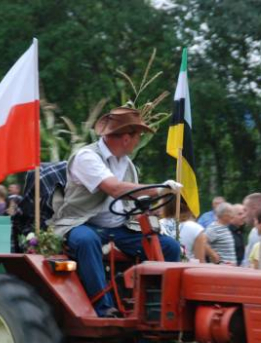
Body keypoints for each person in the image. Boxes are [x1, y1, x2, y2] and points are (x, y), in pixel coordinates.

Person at [50, 107, 181, 317]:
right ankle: (103, 308)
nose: (139, 141)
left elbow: (134, 197)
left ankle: (156, 310)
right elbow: (115, 188)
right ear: (127, 138)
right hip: (81, 222)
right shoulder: (87, 157)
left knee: (169, 247)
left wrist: (154, 205)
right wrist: (160, 188)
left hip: (119, 227)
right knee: (86, 240)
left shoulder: (127, 164)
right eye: (138, 136)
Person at [242, 193, 261, 267]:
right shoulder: (254, 231)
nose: (244, 215)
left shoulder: (258, 234)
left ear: (254, 209)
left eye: (245, 210)